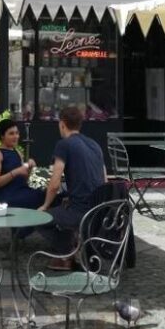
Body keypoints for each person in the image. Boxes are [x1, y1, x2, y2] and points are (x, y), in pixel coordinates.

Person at [37, 106, 107, 270]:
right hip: (98, 209)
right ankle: (72, 249)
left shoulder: (64, 144)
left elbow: (54, 183)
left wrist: (45, 206)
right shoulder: (94, 145)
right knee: (62, 207)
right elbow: (103, 179)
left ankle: (66, 254)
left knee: (40, 219)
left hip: (80, 211)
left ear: (62, 124)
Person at [0, 119, 45, 209]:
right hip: (8, 197)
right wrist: (15, 172)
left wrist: (29, 168)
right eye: (11, 134)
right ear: (2, 136)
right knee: (43, 198)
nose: (16, 136)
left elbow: (23, 179)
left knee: (48, 195)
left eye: (17, 133)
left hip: (22, 192)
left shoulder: (17, 152)